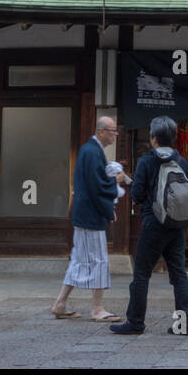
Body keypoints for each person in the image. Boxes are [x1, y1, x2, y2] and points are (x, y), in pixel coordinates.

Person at [111, 116, 188, 336]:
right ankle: (183, 325)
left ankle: (136, 322)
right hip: (177, 226)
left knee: (141, 274)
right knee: (179, 275)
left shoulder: (147, 161)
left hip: (153, 224)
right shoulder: (182, 162)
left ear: (153, 138)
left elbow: (138, 195)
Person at [51, 116, 129, 322]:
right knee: (98, 260)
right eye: (113, 130)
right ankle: (97, 309)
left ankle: (60, 303)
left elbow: (96, 184)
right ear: (102, 131)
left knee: (79, 260)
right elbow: (99, 186)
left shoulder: (90, 150)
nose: (116, 134)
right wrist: (116, 181)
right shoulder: (93, 152)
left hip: (84, 214)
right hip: (90, 216)